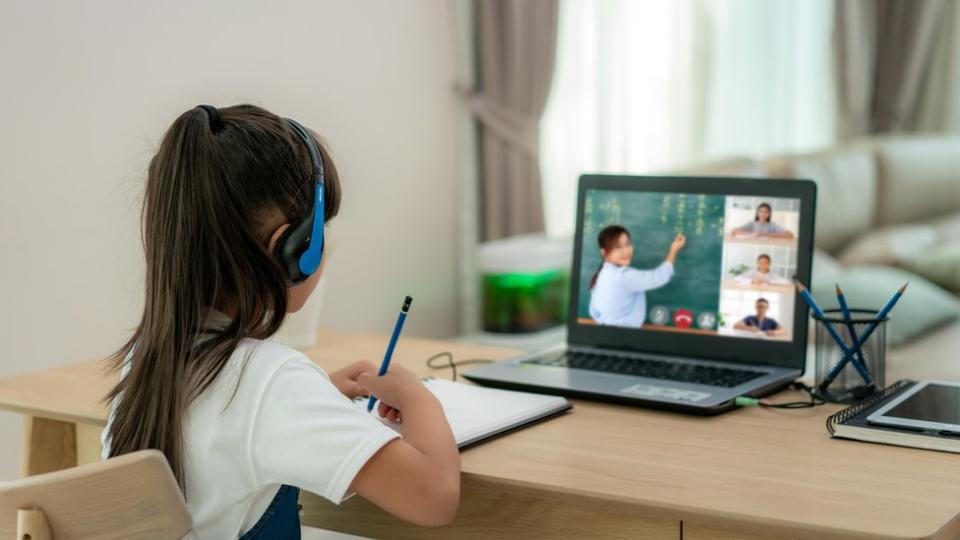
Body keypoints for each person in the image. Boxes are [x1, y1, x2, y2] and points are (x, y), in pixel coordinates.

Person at [100, 105, 459, 538]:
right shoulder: (271, 381)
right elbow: (434, 497)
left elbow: (235, 423)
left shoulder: (145, 358)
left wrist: (314, 396)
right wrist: (419, 399)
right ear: (293, 249)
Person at [588, 225, 686, 327]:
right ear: (603, 252)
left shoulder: (600, 274)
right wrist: (674, 249)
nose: (626, 251)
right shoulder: (623, 276)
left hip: (604, 332)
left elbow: (593, 312)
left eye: (627, 244)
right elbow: (661, 276)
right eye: (617, 247)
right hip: (624, 337)